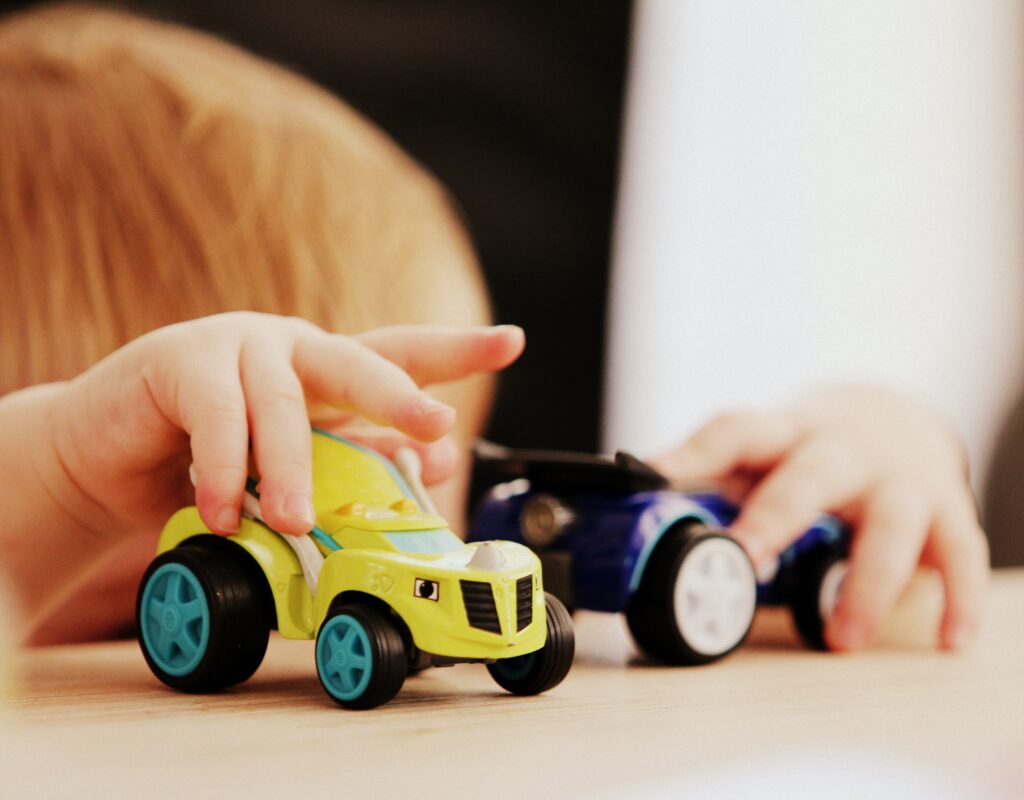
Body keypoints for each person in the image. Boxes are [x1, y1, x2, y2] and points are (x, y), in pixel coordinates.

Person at [0, 5, 988, 654]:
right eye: (122, 626)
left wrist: (869, 442)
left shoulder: (423, 537)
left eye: (419, 465)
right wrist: (61, 474)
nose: (422, 494)